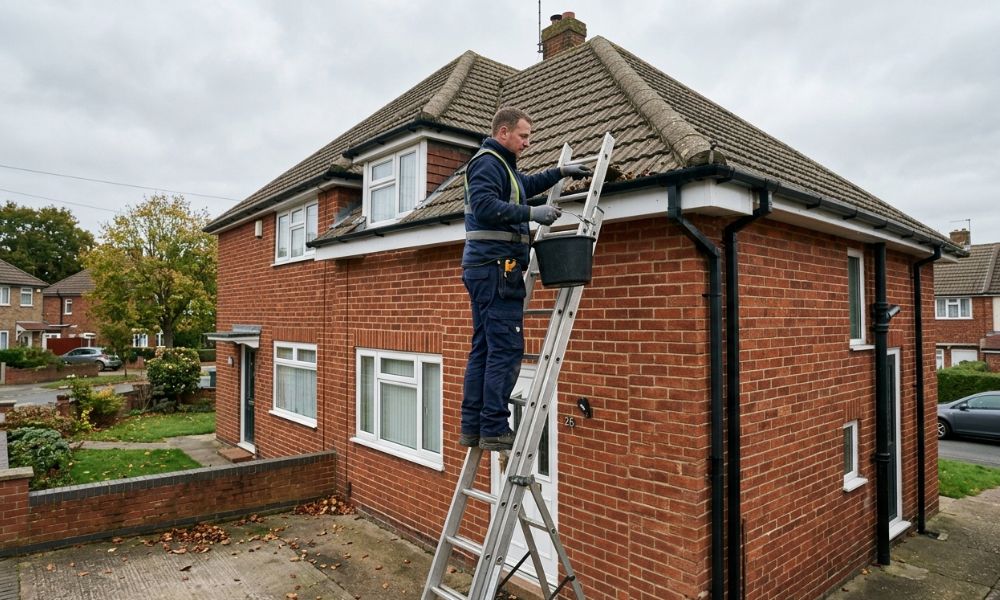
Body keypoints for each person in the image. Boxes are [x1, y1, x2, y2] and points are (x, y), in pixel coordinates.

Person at [460, 107, 591, 451]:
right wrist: (533, 213)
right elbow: (486, 206)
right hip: (495, 268)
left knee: (485, 348)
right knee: (505, 348)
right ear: (503, 132)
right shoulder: (488, 163)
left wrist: (559, 172)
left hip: (487, 269)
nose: (528, 143)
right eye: (524, 136)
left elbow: (524, 186)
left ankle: (473, 426)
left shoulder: (503, 165)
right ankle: (493, 427)